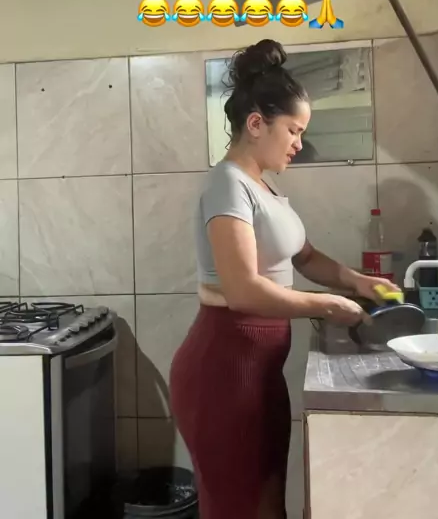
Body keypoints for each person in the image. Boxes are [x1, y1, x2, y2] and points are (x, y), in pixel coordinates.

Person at [169, 39, 399, 519]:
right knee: (237, 507)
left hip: (259, 371)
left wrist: (356, 281)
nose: (299, 143)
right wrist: (327, 305)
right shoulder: (227, 184)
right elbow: (242, 290)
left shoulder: (262, 187)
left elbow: (305, 256)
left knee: (269, 503)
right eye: (293, 130)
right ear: (257, 124)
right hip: (224, 369)